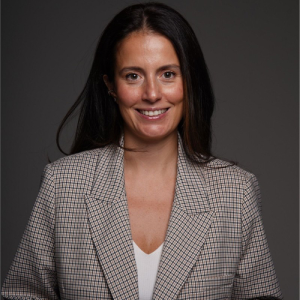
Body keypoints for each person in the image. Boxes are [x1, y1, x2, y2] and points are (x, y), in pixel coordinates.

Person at [2, 2, 283, 299]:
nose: (151, 94)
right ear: (111, 86)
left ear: (189, 81)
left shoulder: (235, 193)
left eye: (168, 74)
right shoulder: (63, 186)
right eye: (133, 76)